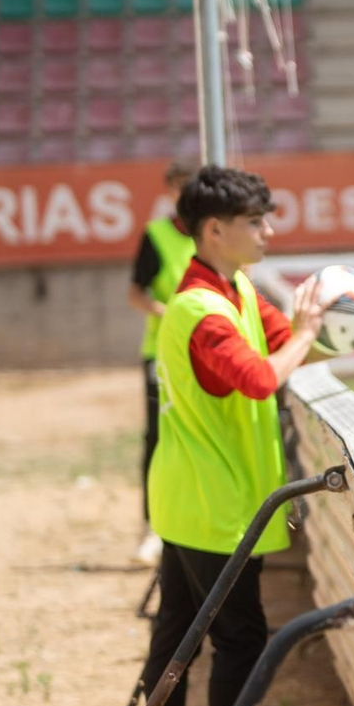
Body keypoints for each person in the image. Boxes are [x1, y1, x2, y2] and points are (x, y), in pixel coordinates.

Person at [137, 164, 354, 706]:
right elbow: (259, 380)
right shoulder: (202, 309)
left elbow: (286, 352)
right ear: (216, 230)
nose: (269, 232)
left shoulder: (236, 291)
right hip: (212, 506)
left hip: (198, 498)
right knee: (238, 641)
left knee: (179, 641)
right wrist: (311, 331)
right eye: (257, 222)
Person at [126, 157, 201, 565]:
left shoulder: (214, 233)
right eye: (177, 187)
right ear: (169, 192)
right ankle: (152, 525)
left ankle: (190, 522)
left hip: (206, 353)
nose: (183, 193)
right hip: (162, 354)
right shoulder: (156, 235)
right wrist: (164, 313)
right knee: (157, 439)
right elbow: (134, 292)